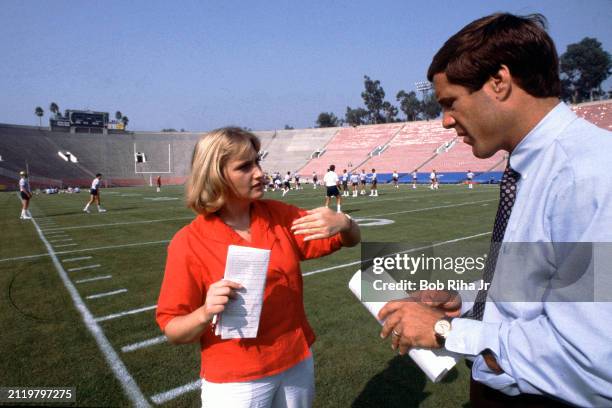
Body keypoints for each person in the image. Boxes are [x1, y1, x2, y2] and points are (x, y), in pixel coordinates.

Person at [377, 13, 612, 407]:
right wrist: (468, 301)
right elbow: (543, 283)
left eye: (450, 103)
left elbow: (591, 361)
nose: (446, 121)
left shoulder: (587, 175)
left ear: (498, 83)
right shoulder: (538, 165)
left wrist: (446, 332)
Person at [156, 127, 360, 407]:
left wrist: (346, 223)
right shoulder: (188, 243)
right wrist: (205, 312)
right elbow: (173, 328)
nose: (259, 172)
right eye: (245, 166)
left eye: (257, 161)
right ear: (216, 175)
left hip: (295, 361)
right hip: (236, 380)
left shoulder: (280, 216)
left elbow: (349, 241)